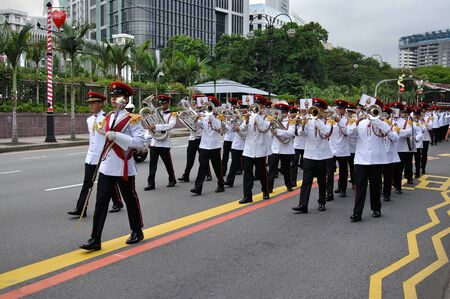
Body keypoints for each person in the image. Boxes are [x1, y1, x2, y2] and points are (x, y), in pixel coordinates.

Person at [80, 81, 145, 251]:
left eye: (117, 97)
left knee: (130, 199)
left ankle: (137, 230)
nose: (114, 100)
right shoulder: (108, 117)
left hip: (123, 165)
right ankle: (95, 239)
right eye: (113, 97)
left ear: (126, 99)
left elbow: (139, 142)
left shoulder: (133, 119)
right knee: (101, 202)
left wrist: (116, 135)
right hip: (107, 166)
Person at [67, 91, 124, 217]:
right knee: (87, 182)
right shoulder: (89, 120)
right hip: (91, 156)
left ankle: (118, 202)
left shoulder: (107, 118)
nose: (91, 105)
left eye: (94, 103)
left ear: (101, 104)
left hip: (103, 155)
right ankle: (81, 208)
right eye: (90, 103)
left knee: (110, 181)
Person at [347, 101, 394, 222]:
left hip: (377, 160)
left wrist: (376, 120)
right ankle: (357, 213)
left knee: (375, 186)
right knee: (360, 187)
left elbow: (393, 135)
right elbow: (349, 134)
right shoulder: (361, 122)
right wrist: (356, 122)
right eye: (369, 109)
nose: (371, 112)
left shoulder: (382, 123)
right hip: (361, 159)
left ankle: (376, 209)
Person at [292, 98, 333, 213]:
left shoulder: (327, 121)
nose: (315, 110)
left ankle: (322, 202)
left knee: (321, 180)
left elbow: (326, 132)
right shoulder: (308, 120)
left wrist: (317, 121)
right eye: (314, 108)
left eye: (318, 108)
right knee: (306, 181)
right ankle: (303, 205)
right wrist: (303, 124)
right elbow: (300, 133)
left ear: (323, 110)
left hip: (322, 155)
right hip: (309, 154)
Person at [238, 95, 271, 204]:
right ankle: (247, 196)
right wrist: (246, 121)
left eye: (259, 104)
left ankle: (265, 191)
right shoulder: (249, 116)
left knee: (261, 173)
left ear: (263, 106)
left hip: (260, 150)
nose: (257, 106)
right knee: (247, 173)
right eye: (256, 104)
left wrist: (257, 117)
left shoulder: (267, 118)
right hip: (248, 149)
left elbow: (263, 129)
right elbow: (242, 130)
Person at [190, 96, 225, 195]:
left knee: (217, 167)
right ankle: (198, 187)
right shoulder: (204, 117)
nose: (207, 109)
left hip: (214, 146)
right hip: (204, 146)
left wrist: (212, 116)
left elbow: (218, 127)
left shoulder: (219, 117)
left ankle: (221, 184)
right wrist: (196, 120)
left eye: (209, 106)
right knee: (202, 167)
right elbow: (198, 127)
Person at [144, 94, 177, 191]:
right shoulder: (155, 113)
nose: (162, 105)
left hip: (164, 143)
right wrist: (150, 129)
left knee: (168, 163)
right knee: (152, 164)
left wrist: (156, 127)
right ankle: (151, 184)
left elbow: (170, 125)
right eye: (161, 103)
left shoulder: (172, 114)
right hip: (155, 142)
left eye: (164, 103)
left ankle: (172, 179)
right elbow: (150, 123)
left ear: (168, 103)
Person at [178, 95, 212, 182]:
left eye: (195, 102)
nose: (194, 104)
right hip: (192, 138)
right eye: (193, 102)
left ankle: (208, 174)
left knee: (203, 158)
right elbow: (190, 125)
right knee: (189, 158)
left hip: (201, 138)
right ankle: (186, 175)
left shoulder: (206, 113)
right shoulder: (191, 112)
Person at [326, 99, 351, 200]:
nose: (340, 110)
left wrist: (339, 121)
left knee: (343, 171)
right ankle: (329, 193)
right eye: (338, 108)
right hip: (331, 148)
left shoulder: (348, 120)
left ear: (345, 110)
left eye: (342, 109)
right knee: (330, 171)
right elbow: (327, 132)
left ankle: (343, 189)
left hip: (343, 148)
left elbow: (346, 133)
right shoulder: (330, 118)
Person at [268, 103, 295, 193]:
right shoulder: (274, 121)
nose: (281, 114)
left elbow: (291, 133)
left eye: (283, 112)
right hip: (275, 149)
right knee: (272, 169)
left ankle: (288, 185)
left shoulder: (291, 121)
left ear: (287, 112)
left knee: (286, 169)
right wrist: (272, 130)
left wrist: (278, 131)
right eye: (280, 112)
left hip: (286, 149)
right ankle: (269, 188)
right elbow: (269, 135)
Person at [221, 98, 239, 177]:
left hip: (234, 138)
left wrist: (232, 117)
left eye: (231, 104)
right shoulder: (225, 113)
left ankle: (238, 169)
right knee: (225, 156)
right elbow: (223, 129)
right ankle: (223, 171)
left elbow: (238, 121)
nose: (230, 106)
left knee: (235, 157)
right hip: (227, 138)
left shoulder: (236, 112)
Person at [290, 105, 306, 187]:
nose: (303, 110)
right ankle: (293, 181)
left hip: (306, 145)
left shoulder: (310, 118)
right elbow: (295, 131)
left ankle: (305, 182)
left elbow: (304, 132)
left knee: (306, 166)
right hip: (297, 144)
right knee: (294, 164)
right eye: (302, 109)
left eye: (305, 109)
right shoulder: (297, 118)